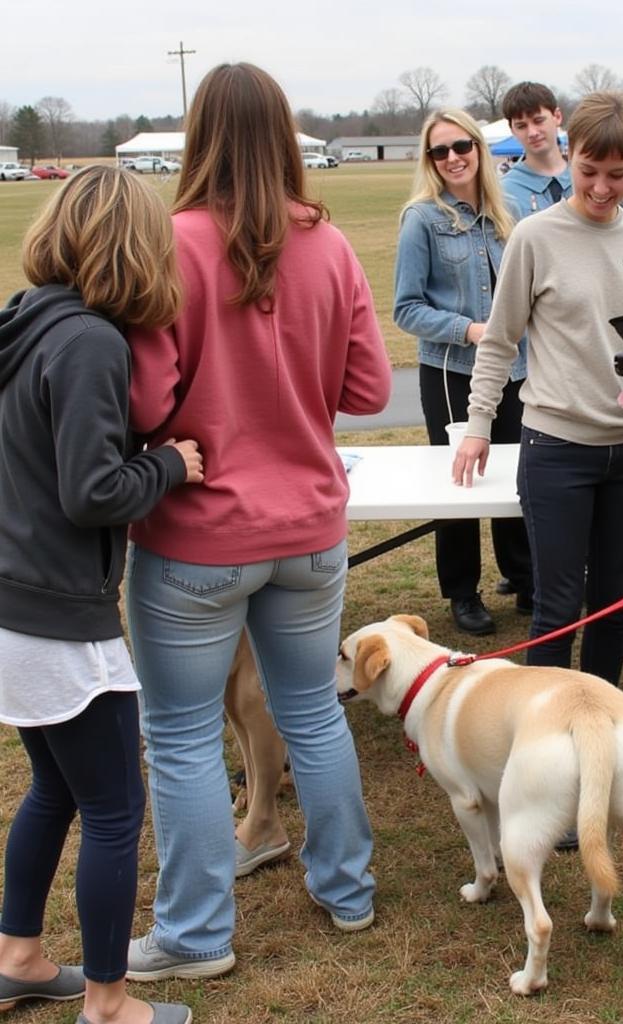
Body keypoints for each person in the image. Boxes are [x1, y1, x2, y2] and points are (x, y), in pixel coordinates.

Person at [123, 63, 392, 981]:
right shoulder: (331, 247)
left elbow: (146, 397)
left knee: (185, 734)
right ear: (285, 136)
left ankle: (196, 936)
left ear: (199, 135)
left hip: (198, 536)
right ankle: (346, 888)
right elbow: (366, 388)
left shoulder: (171, 243)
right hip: (310, 532)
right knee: (313, 709)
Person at [0, 167, 203, 1024]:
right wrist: (171, 463)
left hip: (15, 602)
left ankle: (17, 957)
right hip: (56, 615)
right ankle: (109, 1005)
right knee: (118, 809)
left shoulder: (23, 319)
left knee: (55, 788)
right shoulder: (89, 341)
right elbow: (92, 491)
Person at [453, 90, 623, 689]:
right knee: (556, 605)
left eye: (618, 175)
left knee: (614, 602)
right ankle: (544, 746)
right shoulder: (534, 237)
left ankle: (602, 726)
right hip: (557, 448)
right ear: (570, 154)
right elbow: (499, 341)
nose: (602, 187)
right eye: (590, 171)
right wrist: (476, 427)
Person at [393, 109, 532, 636]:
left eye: (461, 147)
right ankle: (463, 591)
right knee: (461, 483)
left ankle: (525, 578)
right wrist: (470, 330)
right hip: (452, 371)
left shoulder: (510, 210)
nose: (453, 158)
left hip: (515, 370)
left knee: (519, 472)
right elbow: (406, 308)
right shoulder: (422, 219)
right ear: (429, 160)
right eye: (439, 151)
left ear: (480, 148)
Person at [500, 81, 573, 218]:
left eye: (538, 121)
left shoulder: (585, 179)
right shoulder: (504, 193)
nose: (532, 132)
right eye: (521, 126)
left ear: (557, 117)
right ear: (512, 130)